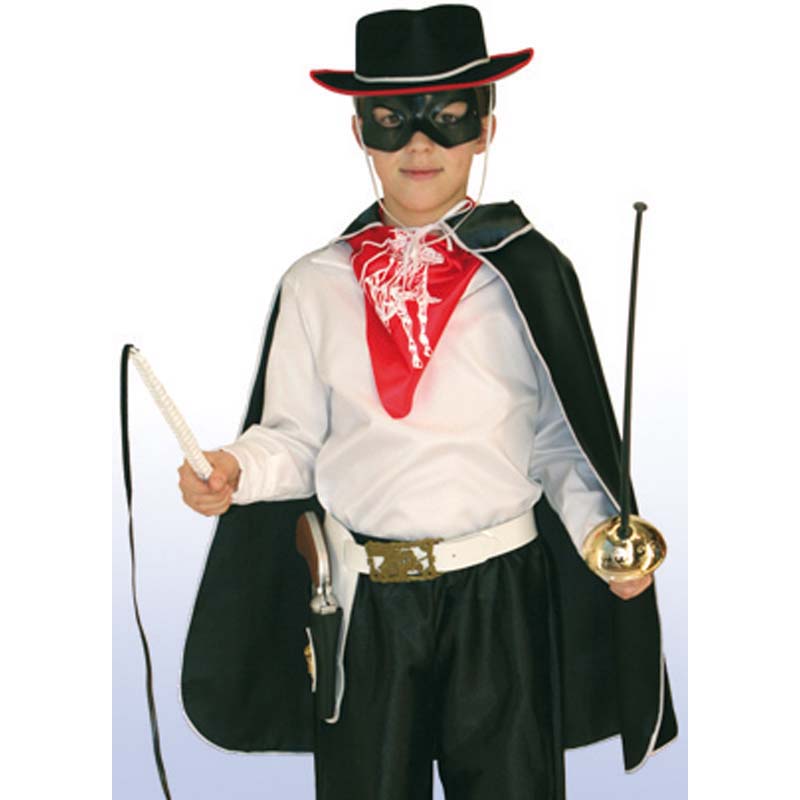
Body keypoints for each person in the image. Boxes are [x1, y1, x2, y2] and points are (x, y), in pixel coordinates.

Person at [177, 6, 677, 799]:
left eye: (448, 118)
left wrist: (599, 538)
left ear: (485, 130)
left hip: (501, 596)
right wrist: (237, 469)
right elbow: (295, 439)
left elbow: (559, 441)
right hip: (365, 602)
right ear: (359, 132)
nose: (419, 145)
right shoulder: (316, 283)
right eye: (393, 120)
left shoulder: (525, 274)